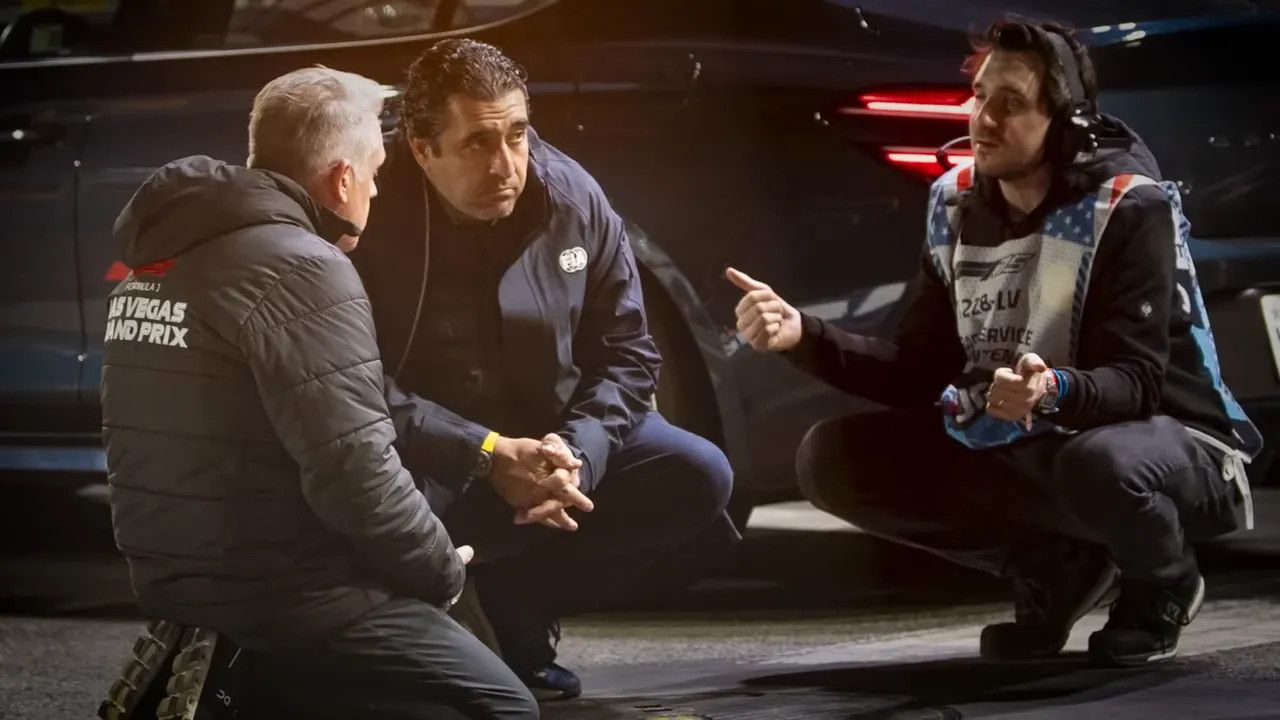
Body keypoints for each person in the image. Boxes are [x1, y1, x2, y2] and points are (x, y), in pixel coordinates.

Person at [728, 18, 1261, 667]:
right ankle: (1054, 568)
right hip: (1039, 437)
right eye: (980, 96)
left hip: (1178, 444)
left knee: (1100, 463)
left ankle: (1165, 580)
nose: (983, 118)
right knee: (835, 458)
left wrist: (1054, 388)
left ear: (1065, 122)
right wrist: (803, 335)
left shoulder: (1124, 204)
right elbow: (918, 368)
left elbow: (1138, 381)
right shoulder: (956, 204)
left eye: (1010, 103)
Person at [98, 66, 537, 718]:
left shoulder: (160, 258)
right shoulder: (305, 266)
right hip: (287, 591)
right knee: (502, 706)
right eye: (376, 171)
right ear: (342, 178)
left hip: (172, 575)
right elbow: (355, 476)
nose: (377, 190)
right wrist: (443, 569)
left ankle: (250, 683)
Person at [350, 38, 739, 699]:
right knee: (367, 512)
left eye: (518, 134)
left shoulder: (574, 199)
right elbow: (349, 380)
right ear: (422, 149)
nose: (506, 164)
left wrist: (577, 453)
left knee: (698, 475)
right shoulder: (371, 208)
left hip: (550, 441)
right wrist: (484, 452)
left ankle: (518, 606)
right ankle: (437, 639)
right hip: (429, 451)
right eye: (478, 142)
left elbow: (629, 354)